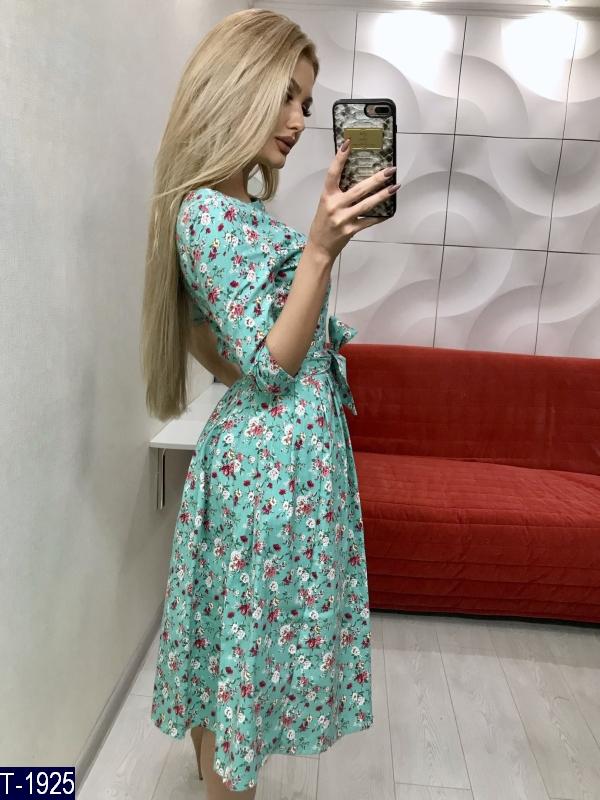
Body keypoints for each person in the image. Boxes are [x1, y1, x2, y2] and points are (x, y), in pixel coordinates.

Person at [140, 8, 401, 798]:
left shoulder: (234, 211)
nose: (300, 119)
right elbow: (268, 364)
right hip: (266, 472)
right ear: (237, 86)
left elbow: (211, 340)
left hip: (274, 463)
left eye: (307, 103)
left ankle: (218, 778)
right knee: (242, 655)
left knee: (235, 647)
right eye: (286, 95)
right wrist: (318, 250)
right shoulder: (205, 213)